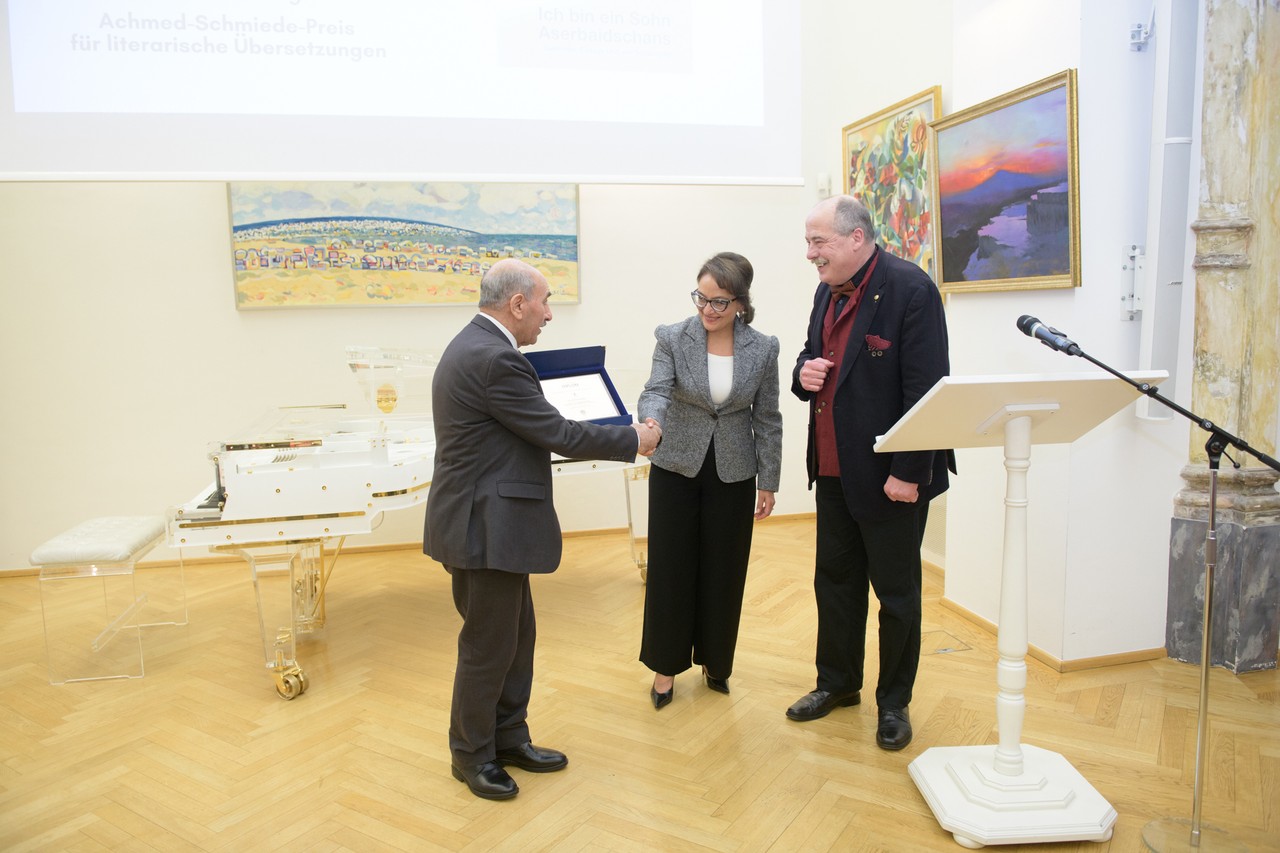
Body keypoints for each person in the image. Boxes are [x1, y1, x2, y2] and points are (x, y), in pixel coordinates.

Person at [425, 258, 661, 800]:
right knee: (488, 646)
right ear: (517, 304)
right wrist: (636, 438)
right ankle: (471, 755)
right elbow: (560, 433)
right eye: (545, 301)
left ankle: (509, 738)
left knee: (515, 638)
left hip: (489, 523)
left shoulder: (481, 346)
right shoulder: (494, 359)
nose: (549, 314)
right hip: (483, 527)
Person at [787, 195, 953, 750]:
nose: (810, 253)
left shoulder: (911, 289)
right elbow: (812, 356)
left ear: (856, 237)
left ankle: (894, 703)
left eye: (819, 241)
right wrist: (802, 373)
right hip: (833, 468)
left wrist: (909, 472)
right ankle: (837, 683)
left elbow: (927, 391)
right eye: (809, 242)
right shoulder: (825, 289)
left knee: (897, 595)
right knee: (835, 584)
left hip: (891, 478)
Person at [637, 251, 782, 709]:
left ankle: (716, 662)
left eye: (719, 301)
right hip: (675, 466)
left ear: (741, 302)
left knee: (725, 570)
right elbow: (656, 390)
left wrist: (769, 480)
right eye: (701, 298)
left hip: (734, 471)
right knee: (670, 569)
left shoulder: (764, 348)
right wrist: (652, 424)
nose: (708, 309)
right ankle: (665, 668)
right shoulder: (672, 337)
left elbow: (768, 417)